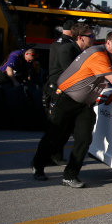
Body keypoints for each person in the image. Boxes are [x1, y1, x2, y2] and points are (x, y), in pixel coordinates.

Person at [31, 31, 112, 186]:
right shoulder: (98, 55)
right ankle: (38, 165)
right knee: (54, 136)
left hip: (85, 105)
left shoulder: (109, 58)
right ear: (108, 43)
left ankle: (70, 175)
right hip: (66, 100)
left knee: (84, 139)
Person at [44, 21, 93, 166]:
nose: (93, 38)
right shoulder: (67, 49)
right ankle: (40, 162)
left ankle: (57, 156)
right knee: (55, 129)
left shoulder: (80, 50)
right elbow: (71, 74)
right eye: (90, 35)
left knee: (68, 130)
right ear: (81, 37)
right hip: (58, 92)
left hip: (71, 94)